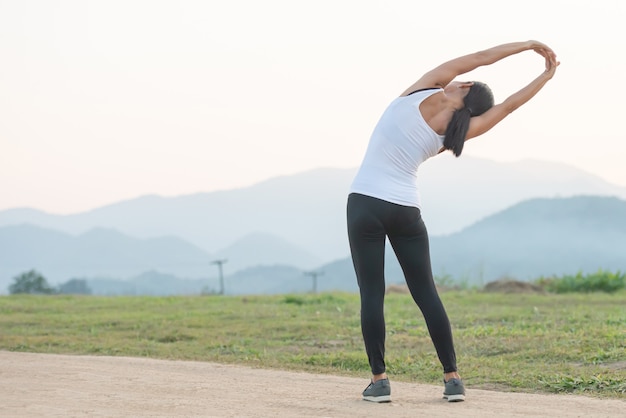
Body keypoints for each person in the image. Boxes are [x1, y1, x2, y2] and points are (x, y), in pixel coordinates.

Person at [347, 40, 559, 403]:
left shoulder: (425, 87)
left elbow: (480, 58)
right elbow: (509, 106)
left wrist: (526, 46)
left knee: (372, 293)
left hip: (365, 202)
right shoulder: (457, 132)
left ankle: (379, 380)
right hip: (406, 209)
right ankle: (452, 378)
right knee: (426, 292)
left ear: (463, 85)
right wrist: (547, 74)